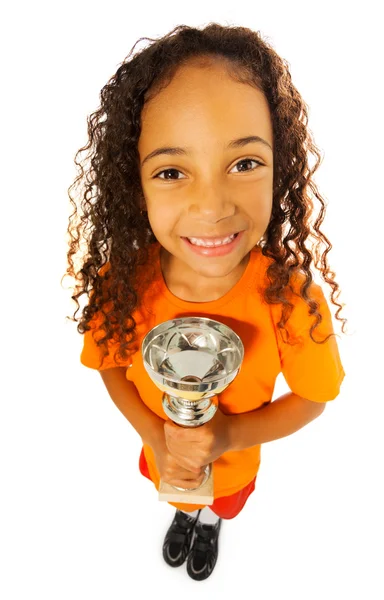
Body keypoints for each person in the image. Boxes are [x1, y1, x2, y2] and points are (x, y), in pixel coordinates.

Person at [64, 23, 347, 582]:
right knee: (184, 495)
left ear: (280, 165)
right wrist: (153, 434)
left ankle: (211, 525)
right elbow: (109, 366)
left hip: (236, 463)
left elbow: (314, 399)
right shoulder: (122, 280)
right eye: (172, 172)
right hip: (164, 450)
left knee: (221, 502)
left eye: (244, 163)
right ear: (135, 184)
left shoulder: (291, 299)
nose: (212, 206)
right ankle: (186, 513)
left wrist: (227, 438)